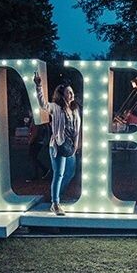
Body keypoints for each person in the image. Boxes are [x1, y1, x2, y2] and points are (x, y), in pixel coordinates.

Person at [33, 72, 80, 216]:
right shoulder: (55, 108)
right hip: (58, 146)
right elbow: (43, 104)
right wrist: (38, 86)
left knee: (70, 172)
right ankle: (55, 203)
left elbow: (77, 130)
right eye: (68, 92)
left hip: (71, 146)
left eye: (72, 92)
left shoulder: (75, 110)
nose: (71, 95)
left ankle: (58, 196)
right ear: (62, 94)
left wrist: (76, 145)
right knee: (58, 174)